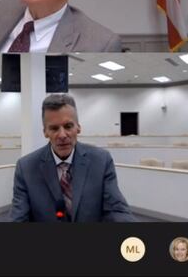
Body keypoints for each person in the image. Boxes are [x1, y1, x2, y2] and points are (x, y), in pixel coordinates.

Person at [10, 93, 134, 222]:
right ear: (45, 132)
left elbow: (116, 210)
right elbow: (18, 218)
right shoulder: (26, 168)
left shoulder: (101, 161)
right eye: (54, 128)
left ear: (78, 127)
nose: (62, 135)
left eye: (68, 126)